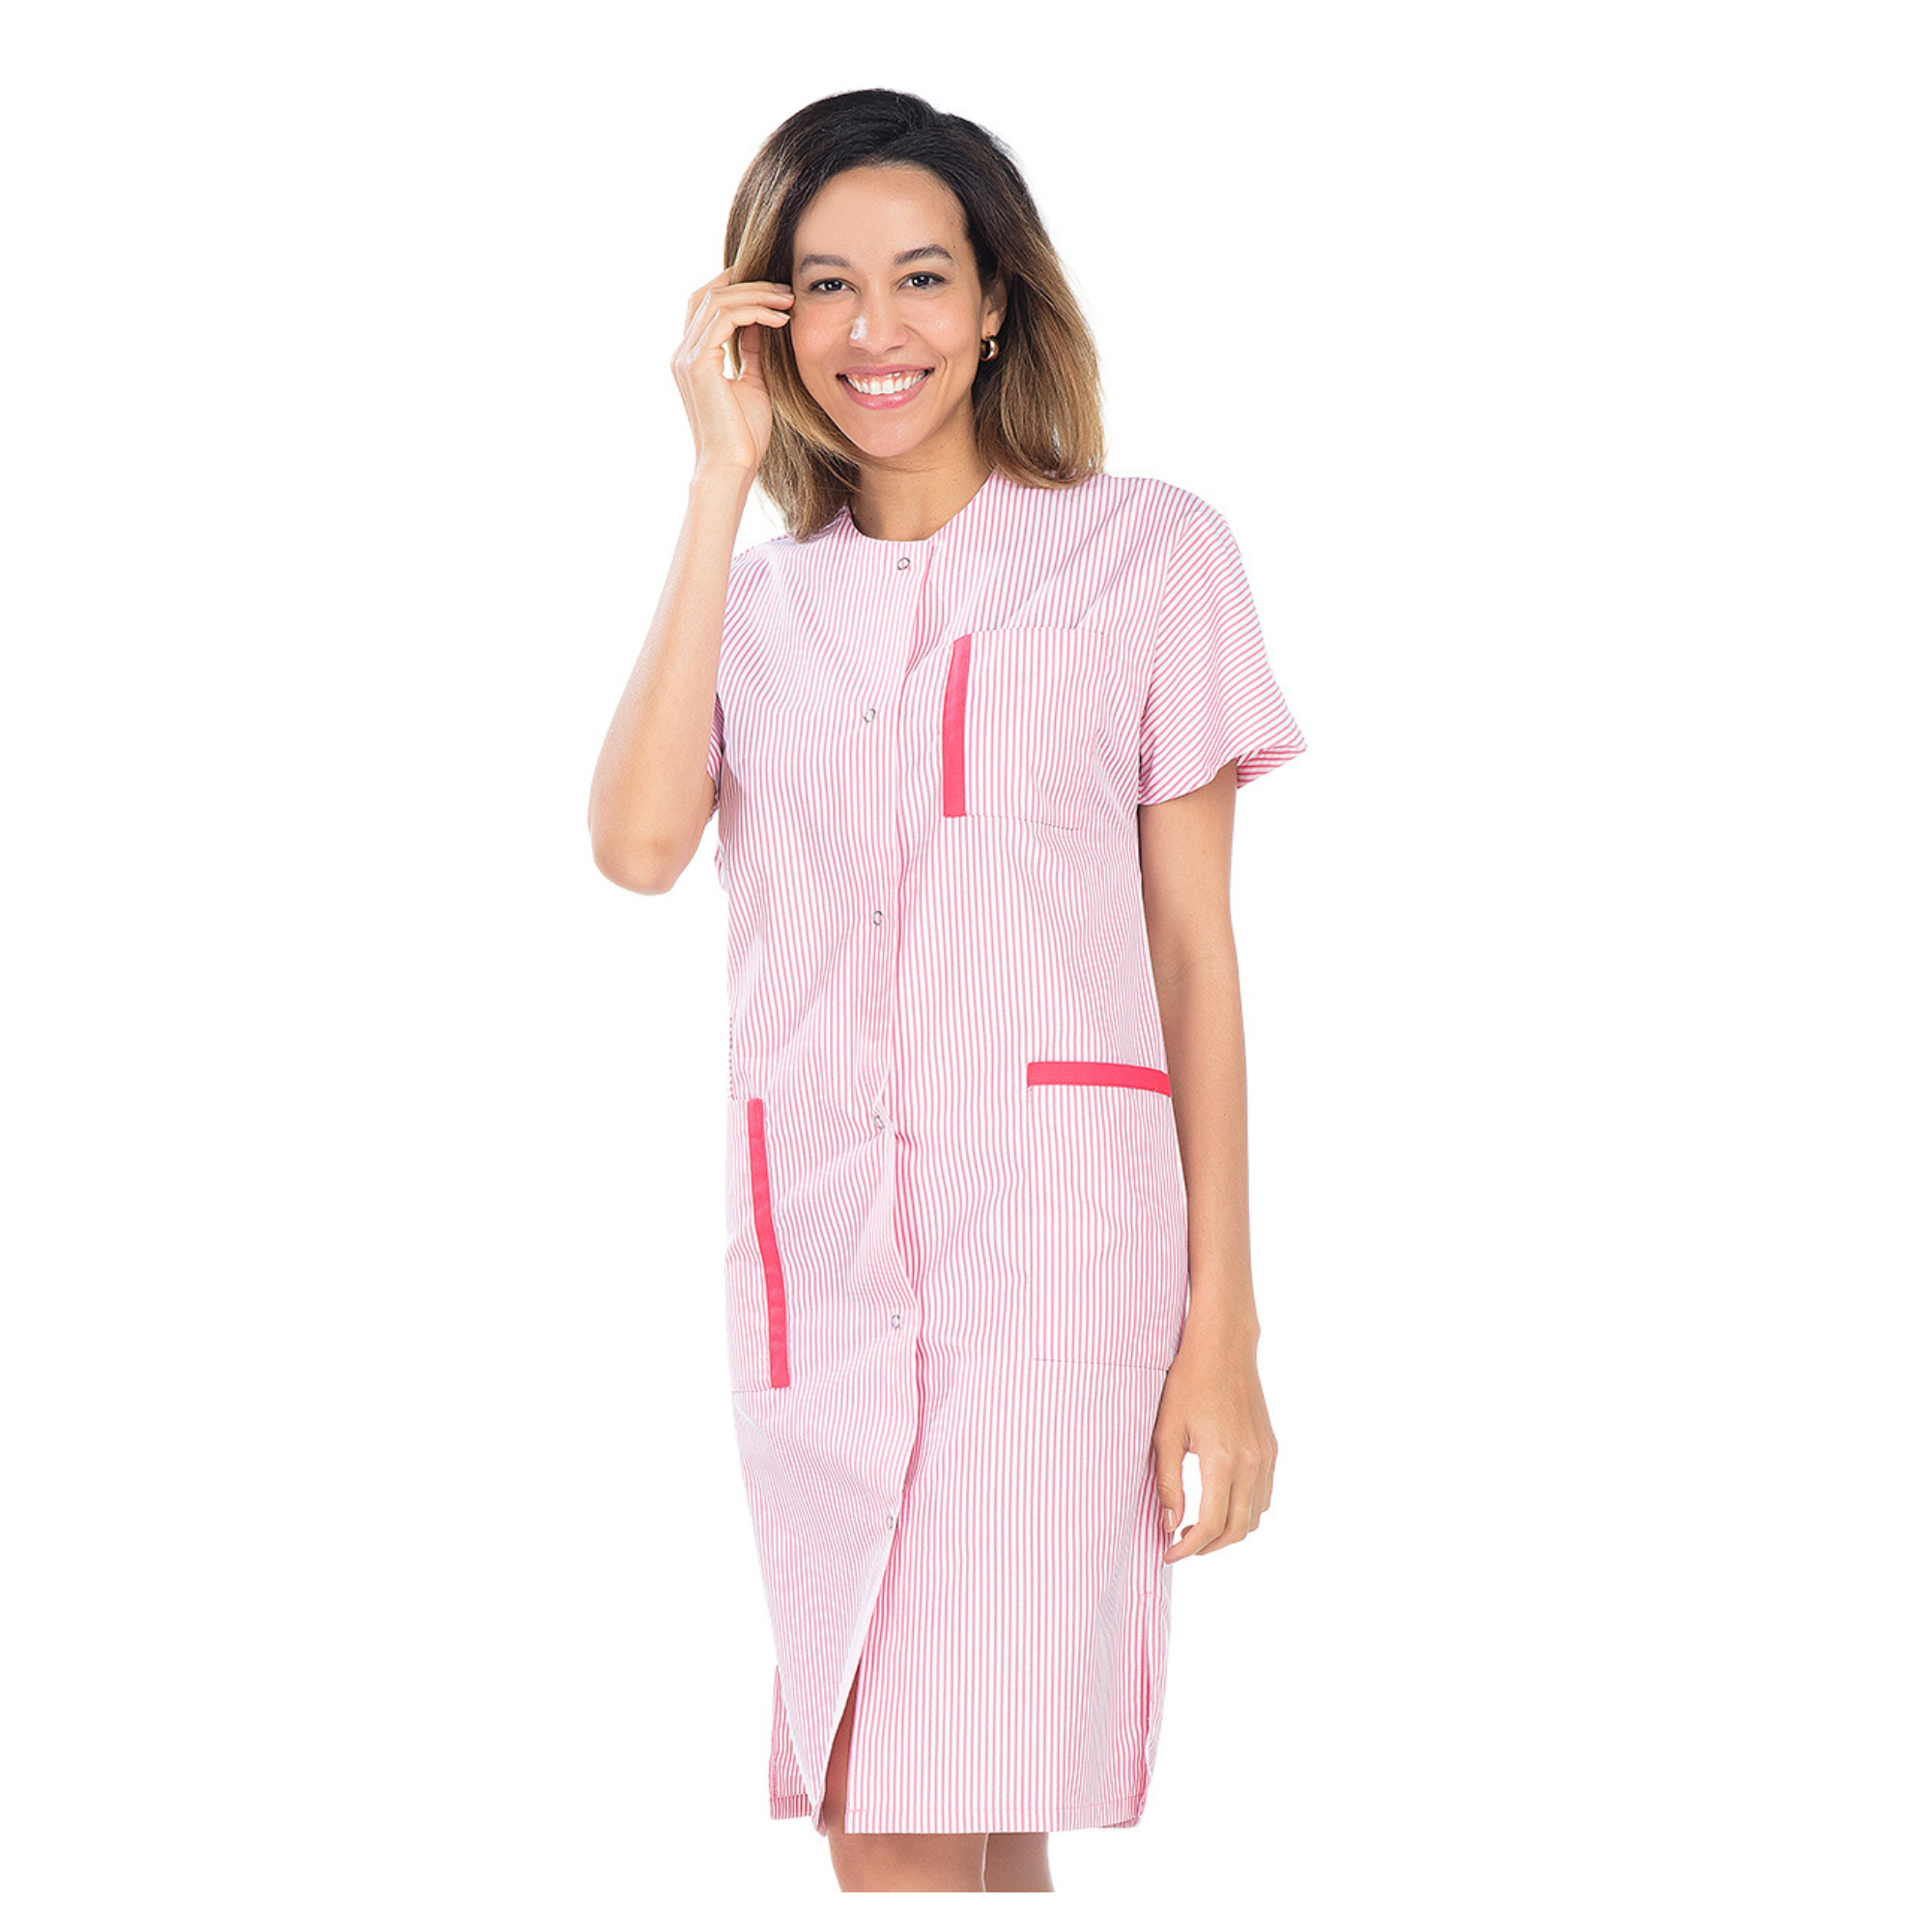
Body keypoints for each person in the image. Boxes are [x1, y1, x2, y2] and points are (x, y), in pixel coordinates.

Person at [587, 88, 1309, 1894]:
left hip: (1057, 1267)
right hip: (820, 1275)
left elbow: (1196, 957)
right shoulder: (754, 607)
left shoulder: (1150, 553)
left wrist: (1224, 1336)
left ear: (996, 304)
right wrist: (714, 480)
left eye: (920, 277)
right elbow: (639, 846)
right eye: (824, 285)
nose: (873, 328)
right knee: (947, 1815)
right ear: (768, 321)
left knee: (930, 1806)